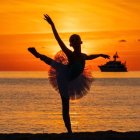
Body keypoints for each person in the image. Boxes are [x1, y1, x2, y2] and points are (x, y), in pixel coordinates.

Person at [28, 14, 110, 134]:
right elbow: (58, 40)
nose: (76, 44)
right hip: (64, 78)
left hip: (73, 76)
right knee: (65, 105)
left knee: (56, 65)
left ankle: (38, 55)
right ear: (72, 45)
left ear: (80, 43)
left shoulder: (83, 56)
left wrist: (101, 55)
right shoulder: (70, 54)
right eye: (74, 42)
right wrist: (52, 25)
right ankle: (70, 132)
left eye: (77, 42)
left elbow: (90, 56)